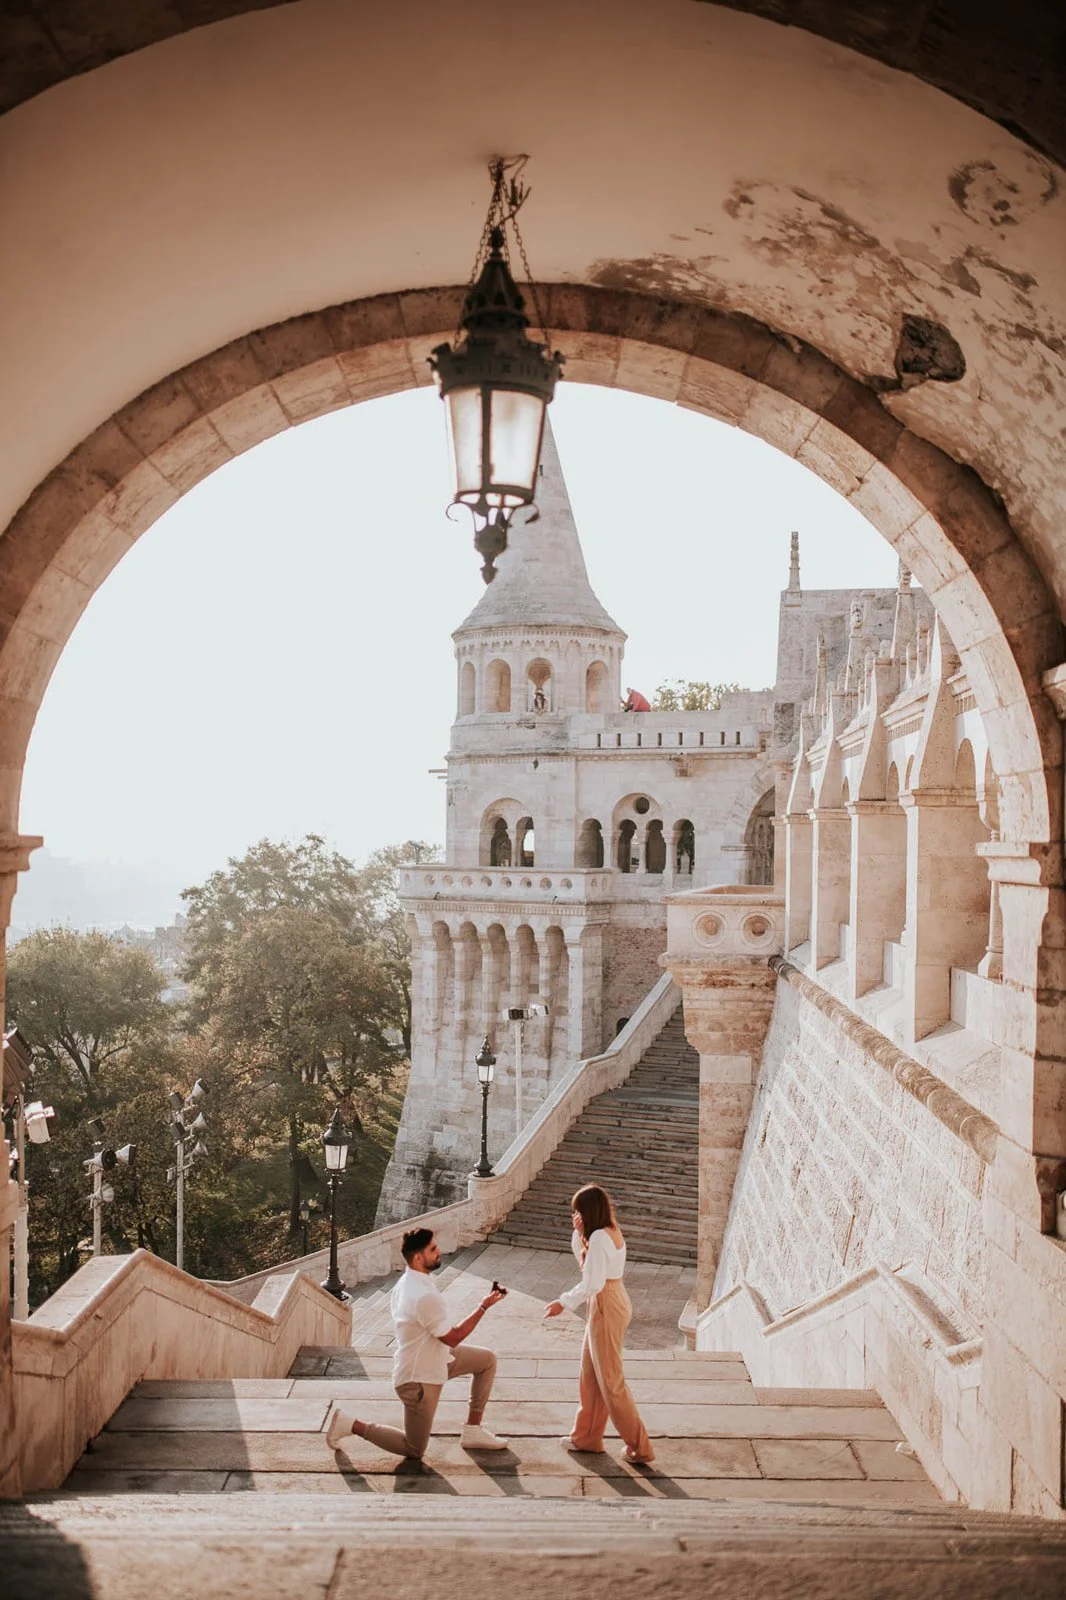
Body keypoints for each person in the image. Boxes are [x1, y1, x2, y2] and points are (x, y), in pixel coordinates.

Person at [326, 1226, 508, 1459]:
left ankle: (473, 1430)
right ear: (418, 1257)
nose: (438, 1251)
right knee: (414, 1449)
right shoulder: (423, 1296)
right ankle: (350, 1424)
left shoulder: (408, 1282)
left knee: (486, 1360)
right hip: (418, 1379)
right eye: (433, 1249)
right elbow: (454, 1337)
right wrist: (483, 1306)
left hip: (438, 1359)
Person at [543, 1184, 654, 1464]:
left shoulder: (599, 1238)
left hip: (606, 1303)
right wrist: (580, 1234)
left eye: (578, 1212)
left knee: (611, 1382)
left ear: (588, 1212)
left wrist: (563, 1303)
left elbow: (592, 1282)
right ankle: (586, 1438)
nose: (575, 1216)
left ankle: (640, 1448)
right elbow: (589, 1267)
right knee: (590, 1376)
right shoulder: (605, 1231)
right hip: (609, 1300)